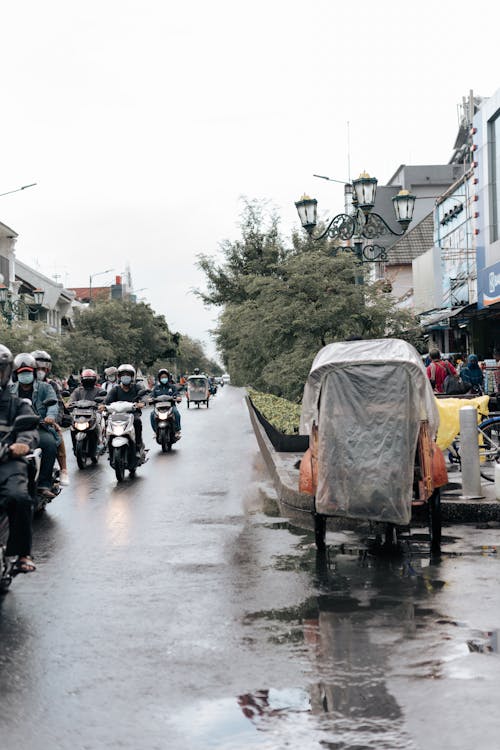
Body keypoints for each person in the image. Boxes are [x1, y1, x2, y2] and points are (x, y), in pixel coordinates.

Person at [0, 345, 39, 574]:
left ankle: (23, 553)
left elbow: (29, 429)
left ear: (6, 373)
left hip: (8, 463)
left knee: (20, 498)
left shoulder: (18, 403)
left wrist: (22, 443)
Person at [10, 353, 61, 499]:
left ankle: (43, 485)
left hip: (39, 427)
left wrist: (50, 417)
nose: (25, 375)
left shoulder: (45, 387)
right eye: (21, 373)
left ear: (33, 372)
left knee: (50, 444)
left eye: (27, 372)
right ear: (16, 374)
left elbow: (53, 404)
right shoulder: (10, 390)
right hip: (17, 429)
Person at [31, 349, 70, 487]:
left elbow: (57, 405)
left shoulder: (51, 385)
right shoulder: (18, 384)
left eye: (44, 368)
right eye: (38, 368)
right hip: (24, 424)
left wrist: (53, 419)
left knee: (56, 437)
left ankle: (63, 469)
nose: (41, 371)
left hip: (45, 423)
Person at [105, 364, 145, 453]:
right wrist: (103, 405)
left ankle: (138, 444)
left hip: (133, 414)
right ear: (119, 377)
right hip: (117, 415)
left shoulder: (136, 387)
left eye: (128, 375)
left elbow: (144, 396)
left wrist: (142, 402)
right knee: (108, 423)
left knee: (137, 421)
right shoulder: (115, 389)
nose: (125, 377)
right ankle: (108, 445)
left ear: (132, 377)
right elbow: (107, 400)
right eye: (123, 375)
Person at [149, 368, 181, 438]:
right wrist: (150, 399)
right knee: (152, 414)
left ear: (168, 378)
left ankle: (177, 430)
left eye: (165, 377)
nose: (164, 378)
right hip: (158, 408)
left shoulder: (172, 387)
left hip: (170, 407)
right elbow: (151, 396)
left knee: (176, 412)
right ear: (159, 378)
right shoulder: (156, 388)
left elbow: (177, 394)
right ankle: (155, 431)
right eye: (162, 377)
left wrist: (178, 397)